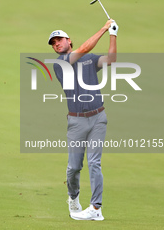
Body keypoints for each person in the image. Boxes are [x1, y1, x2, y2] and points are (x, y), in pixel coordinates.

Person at [47, 19, 118, 221]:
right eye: (53, 43)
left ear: (69, 40)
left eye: (59, 40)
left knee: (94, 163)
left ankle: (96, 207)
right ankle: (73, 197)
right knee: (74, 167)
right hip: (76, 122)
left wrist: (113, 34)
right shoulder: (61, 63)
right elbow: (85, 48)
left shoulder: (88, 60)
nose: (56, 44)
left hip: (98, 118)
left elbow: (111, 59)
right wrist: (104, 28)